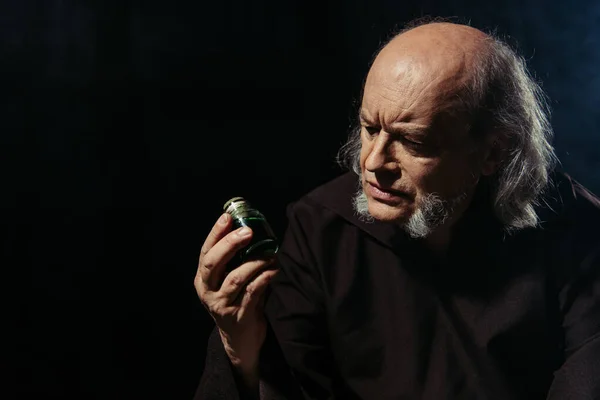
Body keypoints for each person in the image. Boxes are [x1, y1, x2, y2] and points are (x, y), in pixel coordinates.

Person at [194, 20, 600, 399]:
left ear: (492, 152)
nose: (372, 163)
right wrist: (239, 347)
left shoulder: (579, 230)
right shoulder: (319, 227)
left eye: (414, 142)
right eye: (370, 129)